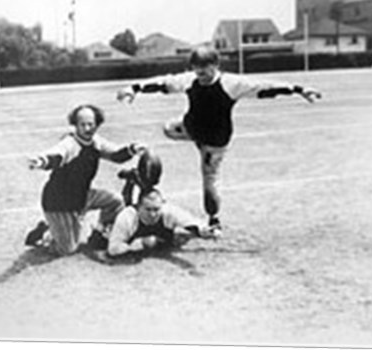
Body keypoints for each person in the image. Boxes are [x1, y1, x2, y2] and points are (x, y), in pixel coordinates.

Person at [117, 46, 321, 232]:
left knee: (209, 182)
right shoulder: (191, 79)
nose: (200, 76)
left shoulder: (232, 84)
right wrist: (134, 88)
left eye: (204, 72)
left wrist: (299, 90)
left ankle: (214, 219)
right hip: (191, 129)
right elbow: (163, 83)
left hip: (214, 141)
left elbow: (265, 87)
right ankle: (192, 139)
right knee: (168, 128)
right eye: (196, 72)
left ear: (215, 66)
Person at [26, 104, 145, 256]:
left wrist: (133, 149)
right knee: (67, 249)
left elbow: (115, 154)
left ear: (97, 124)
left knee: (116, 201)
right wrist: (41, 161)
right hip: (59, 202)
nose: (87, 128)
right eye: (82, 124)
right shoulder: (71, 144)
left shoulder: (96, 142)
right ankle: (45, 232)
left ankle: (100, 232)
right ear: (75, 125)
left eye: (91, 124)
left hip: (83, 196)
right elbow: (57, 155)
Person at [106, 187, 218, 257]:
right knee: (102, 241)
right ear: (139, 206)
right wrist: (136, 245)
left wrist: (204, 231)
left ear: (162, 205)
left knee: (181, 238)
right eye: (148, 209)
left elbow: (190, 222)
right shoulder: (127, 217)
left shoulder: (168, 211)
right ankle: (129, 184)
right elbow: (113, 249)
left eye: (156, 209)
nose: (152, 214)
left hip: (159, 237)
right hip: (128, 237)